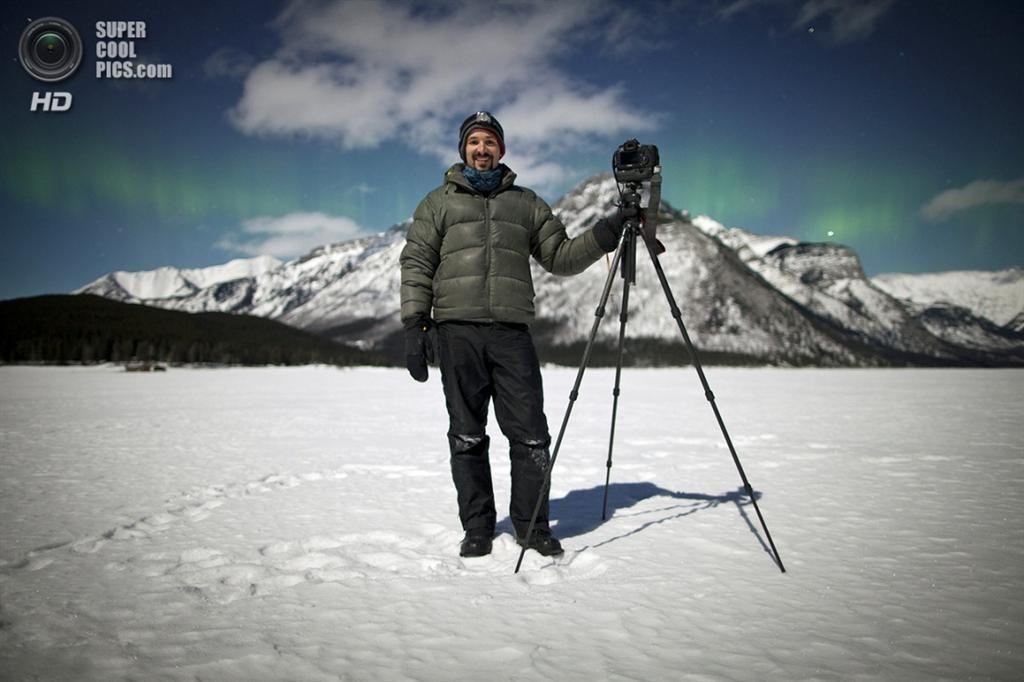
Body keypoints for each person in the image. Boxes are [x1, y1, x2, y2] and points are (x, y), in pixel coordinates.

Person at [399, 111, 632, 558]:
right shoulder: (436, 204)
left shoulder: (526, 203)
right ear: (462, 150)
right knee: (466, 435)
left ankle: (531, 526)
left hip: (511, 333)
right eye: (474, 143)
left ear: (501, 150)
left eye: (489, 142)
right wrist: (416, 323)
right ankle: (478, 527)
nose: (481, 150)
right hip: (457, 333)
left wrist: (605, 233)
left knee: (531, 436)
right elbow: (417, 263)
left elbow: (560, 257)